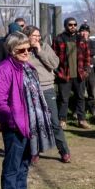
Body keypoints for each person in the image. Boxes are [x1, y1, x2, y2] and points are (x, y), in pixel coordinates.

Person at [0, 31, 52, 189]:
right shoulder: (3, 70)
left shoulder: (28, 67)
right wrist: (13, 121)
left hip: (32, 126)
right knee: (12, 166)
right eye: (21, 50)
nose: (26, 52)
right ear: (11, 51)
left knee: (25, 164)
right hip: (15, 127)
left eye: (28, 48)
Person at [25, 25, 71, 162]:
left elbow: (54, 64)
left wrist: (40, 51)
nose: (37, 38)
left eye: (39, 36)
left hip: (47, 88)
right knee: (33, 122)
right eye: (34, 36)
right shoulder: (23, 48)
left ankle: (64, 151)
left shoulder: (44, 46)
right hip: (30, 89)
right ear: (27, 36)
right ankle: (35, 151)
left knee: (54, 122)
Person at [52, 17, 91, 129]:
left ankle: (81, 120)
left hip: (79, 74)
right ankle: (62, 120)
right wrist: (57, 71)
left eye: (74, 24)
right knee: (64, 99)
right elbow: (53, 57)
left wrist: (86, 70)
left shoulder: (81, 39)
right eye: (70, 25)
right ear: (65, 26)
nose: (73, 26)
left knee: (80, 98)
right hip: (64, 75)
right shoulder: (58, 39)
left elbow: (87, 56)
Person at [78, 23, 95, 122]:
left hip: (90, 69)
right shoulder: (76, 42)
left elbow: (92, 52)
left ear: (89, 33)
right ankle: (78, 111)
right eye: (82, 31)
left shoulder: (93, 43)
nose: (84, 33)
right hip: (79, 69)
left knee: (92, 91)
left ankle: (94, 111)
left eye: (86, 31)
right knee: (79, 92)